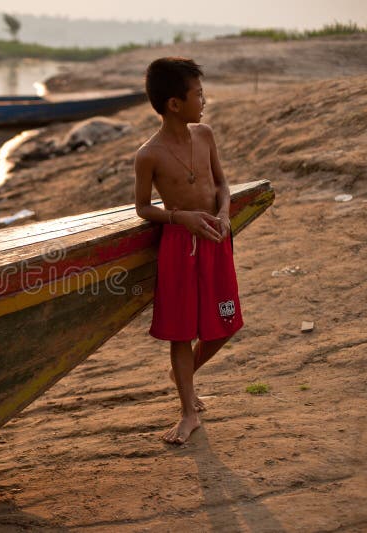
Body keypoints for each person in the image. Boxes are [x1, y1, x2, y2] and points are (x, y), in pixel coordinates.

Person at [133, 57, 243, 444]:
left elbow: (223, 184)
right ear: (174, 104)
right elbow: (143, 208)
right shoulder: (149, 154)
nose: (205, 100)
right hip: (179, 248)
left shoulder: (205, 134)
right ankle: (186, 411)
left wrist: (225, 213)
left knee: (226, 324)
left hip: (216, 239)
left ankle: (183, 375)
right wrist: (180, 218)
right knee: (181, 333)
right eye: (198, 94)